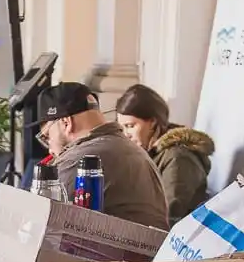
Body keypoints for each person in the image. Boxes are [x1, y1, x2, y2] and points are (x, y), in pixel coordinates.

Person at [36, 82, 168, 230]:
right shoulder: (130, 148)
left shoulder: (81, 159)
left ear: (66, 123)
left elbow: (40, 225)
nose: (50, 150)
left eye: (47, 136)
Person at [115, 83, 214, 225]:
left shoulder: (178, 158)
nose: (126, 135)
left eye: (131, 126)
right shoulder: (147, 153)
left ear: (153, 123)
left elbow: (169, 217)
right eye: (121, 128)